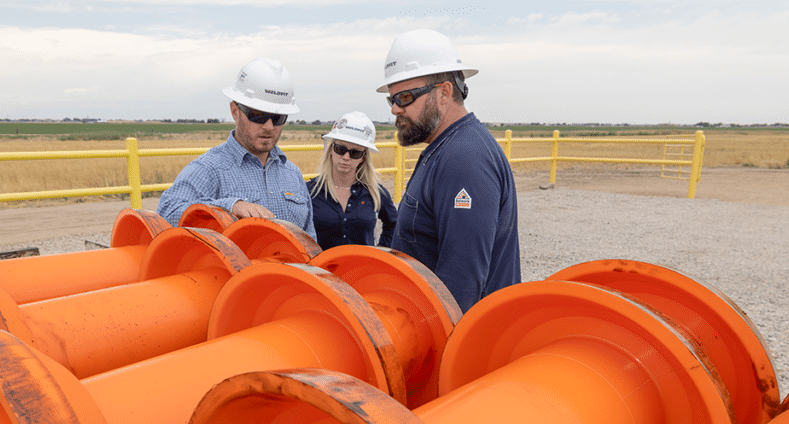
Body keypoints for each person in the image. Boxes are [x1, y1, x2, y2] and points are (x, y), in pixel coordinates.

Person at [378, 29, 520, 312]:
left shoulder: (464, 157)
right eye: (391, 99)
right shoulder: (446, 147)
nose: (395, 109)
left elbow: (461, 282)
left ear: (444, 92)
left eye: (405, 97)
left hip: (458, 342)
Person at [157, 57, 315, 235]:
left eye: (278, 118)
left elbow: (309, 238)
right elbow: (166, 213)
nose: (269, 126)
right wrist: (229, 207)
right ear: (235, 111)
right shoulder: (209, 169)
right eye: (258, 115)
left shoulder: (292, 173)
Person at [306, 112, 397, 249]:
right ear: (330, 150)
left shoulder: (376, 193)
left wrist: (381, 254)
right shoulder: (310, 191)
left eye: (355, 153)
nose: (346, 157)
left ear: (363, 158)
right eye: (340, 149)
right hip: (320, 270)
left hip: (363, 270)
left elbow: (394, 224)